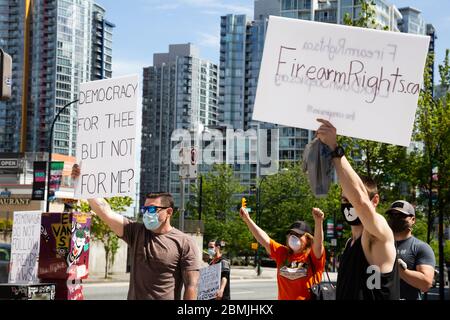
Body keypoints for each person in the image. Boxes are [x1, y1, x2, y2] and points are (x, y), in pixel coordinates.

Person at [71, 164, 200, 300]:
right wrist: (83, 181)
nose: (146, 214)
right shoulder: (136, 232)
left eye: (151, 209)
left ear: (168, 212)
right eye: (144, 210)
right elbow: (105, 211)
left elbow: (191, 286)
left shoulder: (185, 242)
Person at [316, 118, 400, 300]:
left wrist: (335, 149)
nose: (349, 204)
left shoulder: (378, 233)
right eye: (344, 199)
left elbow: (360, 201)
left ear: (375, 200)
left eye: (351, 199)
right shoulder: (350, 243)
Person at [239, 206, 326, 300]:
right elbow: (264, 239)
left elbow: (318, 244)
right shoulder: (283, 253)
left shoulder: (312, 256)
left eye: (298, 235)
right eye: (291, 234)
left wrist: (318, 222)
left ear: (308, 239)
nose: (293, 237)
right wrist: (247, 220)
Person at [386, 200, 435, 300]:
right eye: (392, 215)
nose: (396, 219)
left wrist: (399, 270)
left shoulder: (421, 247)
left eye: (401, 215)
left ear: (413, 219)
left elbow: (426, 284)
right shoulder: (378, 245)